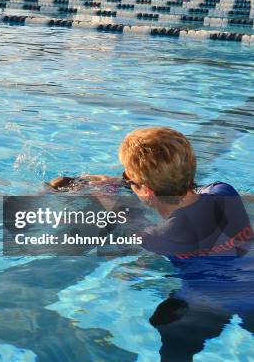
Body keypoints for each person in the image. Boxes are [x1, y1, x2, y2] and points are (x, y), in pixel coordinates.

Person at [50, 127, 253, 361]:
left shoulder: (159, 237)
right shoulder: (224, 192)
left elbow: (125, 218)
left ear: (145, 190)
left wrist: (103, 191)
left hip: (206, 305)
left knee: (167, 326)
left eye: (128, 177)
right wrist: (127, 182)